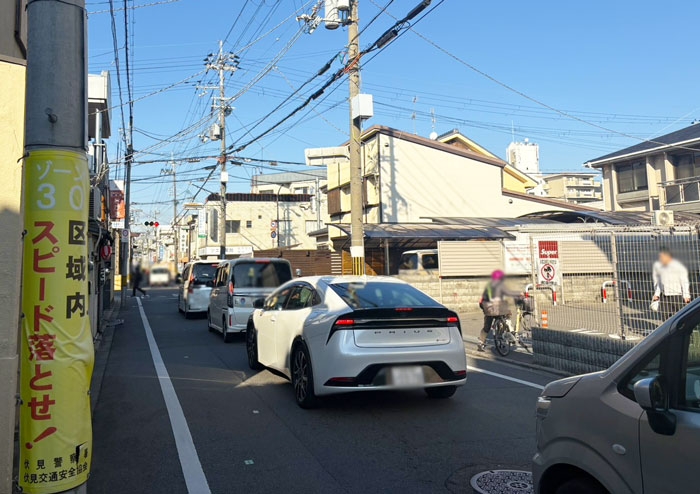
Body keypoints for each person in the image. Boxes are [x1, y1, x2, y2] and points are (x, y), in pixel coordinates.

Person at [477, 270, 522, 352]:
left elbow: (482, 301)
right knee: (506, 316)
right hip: (497, 309)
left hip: (488, 309)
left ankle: (481, 343)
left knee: (486, 327)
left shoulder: (488, 286)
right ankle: (510, 333)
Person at [652, 246, 690, 317]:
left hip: (677, 295)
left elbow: (684, 282)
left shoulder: (678, 267)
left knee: (680, 315)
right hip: (665, 296)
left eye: (662, 256)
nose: (660, 258)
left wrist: (686, 296)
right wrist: (657, 294)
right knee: (665, 315)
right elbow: (660, 283)